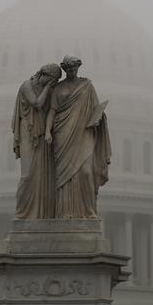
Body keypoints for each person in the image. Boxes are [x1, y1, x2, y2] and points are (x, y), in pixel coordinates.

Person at [45, 56, 111, 218]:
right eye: (69, 69)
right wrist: (47, 131)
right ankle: (65, 212)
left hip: (84, 133)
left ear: (78, 68)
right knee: (64, 177)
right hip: (63, 134)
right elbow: (52, 111)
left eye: (74, 69)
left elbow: (96, 109)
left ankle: (88, 211)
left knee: (86, 172)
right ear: (65, 69)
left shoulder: (87, 86)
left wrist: (99, 118)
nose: (72, 72)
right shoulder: (58, 89)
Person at [11, 62, 61, 219]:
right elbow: (37, 103)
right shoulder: (27, 85)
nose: (53, 84)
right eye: (53, 80)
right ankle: (21, 212)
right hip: (28, 131)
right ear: (44, 75)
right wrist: (48, 87)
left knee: (41, 176)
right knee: (27, 176)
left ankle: (40, 213)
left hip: (41, 134)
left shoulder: (49, 90)